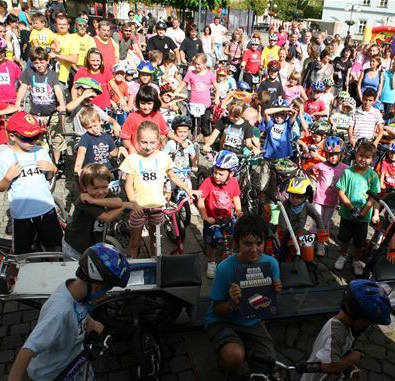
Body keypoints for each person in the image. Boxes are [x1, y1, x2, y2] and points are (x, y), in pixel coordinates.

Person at [7, 243, 130, 381]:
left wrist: (91, 322)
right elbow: (26, 352)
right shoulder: (59, 310)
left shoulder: (75, 291)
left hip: (75, 361)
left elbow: (78, 308)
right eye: (105, 291)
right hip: (54, 374)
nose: (105, 295)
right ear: (96, 288)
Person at [204, 213, 282, 378]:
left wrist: (275, 291)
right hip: (222, 322)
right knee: (233, 357)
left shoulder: (272, 264)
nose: (254, 250)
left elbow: (269, 303)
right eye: (247, 243)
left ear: (264, 242)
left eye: (259, 243)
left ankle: (246, 352)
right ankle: (226, 362)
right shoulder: (224, 268)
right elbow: (216, 309)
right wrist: (232, 303)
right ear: (237, 242)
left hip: (253, 322)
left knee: (267, 363)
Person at [120, 121, 200, 258]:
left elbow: (172, 176)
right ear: (137, 141)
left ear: (158, 141)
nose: (148, 146)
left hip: (158, 207)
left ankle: (155, 266)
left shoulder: (163, 157)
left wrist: (188, 189)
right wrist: (133, 202)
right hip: (139, 207)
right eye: (144, 142)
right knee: (135, 242)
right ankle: (130, 270)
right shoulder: (132, 159)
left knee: (155, 241)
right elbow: (128, 184)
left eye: (152, 142)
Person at [0, 112, 62, 254]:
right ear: (12, 136)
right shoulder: (3, 158)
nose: (33, 142)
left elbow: (48, 178)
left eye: (36, 137)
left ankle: (54, 269)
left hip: (46, 210)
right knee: (20, 252)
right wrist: (7, 178)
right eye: (27, 138)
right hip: (22, 215)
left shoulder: (41, 151)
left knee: (54, 246)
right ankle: (16, 275)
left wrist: (52, 170)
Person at [301, 279, 391, 381]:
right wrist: (353, 357)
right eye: (369, 322)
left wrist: (350, 366)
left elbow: (338, 354)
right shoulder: (336, 333)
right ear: (359, 319)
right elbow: (330, 366)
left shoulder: (346, 328)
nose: (368, 325)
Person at [62, 165, 133, 257]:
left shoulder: (102, 194)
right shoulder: (84, 201)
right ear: (84, 187)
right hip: (76, 245)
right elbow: (106, 218)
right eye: (95, 188)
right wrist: (124, 206)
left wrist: (94, 200)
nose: (101, 191)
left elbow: (118, 202)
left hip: (92, 243)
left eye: (104, 187)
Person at [334, 141, 380, 275]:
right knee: (344, 237)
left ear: (372, 159)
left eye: (367, 157)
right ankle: (343, 255)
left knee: (359, 241)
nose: (363, 159)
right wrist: (351, 208)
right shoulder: (348, 172)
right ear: (356, 154)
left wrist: (364, 211)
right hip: (347, 213)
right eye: (361, 155)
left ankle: (355, 260)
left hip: (363, 216)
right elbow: (341, 191)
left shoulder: (373, 176)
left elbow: (373, 196)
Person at [16, 47, 67, 164]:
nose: (39, 65)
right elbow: (23, 87)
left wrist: (62, 104)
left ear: (47, 61)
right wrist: (18, 103)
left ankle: (55, 163)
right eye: (36, 62)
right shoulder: (29, 72)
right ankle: (38, 160)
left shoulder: (52, 75)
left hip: (52, 113)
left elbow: (57, 89)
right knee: (36, 138)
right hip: (36, 113)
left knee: (56, 139)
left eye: (41, 62)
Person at [198, 150, 242, 278]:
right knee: (211, 242)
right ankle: (211, 261)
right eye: (215, 172)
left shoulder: (233, 182)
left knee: (232, 236)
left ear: (231, 173)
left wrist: (238, 211)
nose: (216, 176)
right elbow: (200, 201)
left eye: (221, 174)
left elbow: (236, 197)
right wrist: (205, 217)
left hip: (228, 218)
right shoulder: (208, 182)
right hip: (213, 220)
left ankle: (231, 252)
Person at [73, 107, 119, 174]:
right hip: (92, 171)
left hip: (106, 170)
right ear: (84, 127)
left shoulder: (106, 137)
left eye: (95, 125)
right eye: (89, 127)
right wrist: (78, 168)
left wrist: (120, 149)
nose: (94, 129)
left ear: (100, 121)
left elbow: (113, 153)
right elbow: (81, 153)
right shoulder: (85, 138)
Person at [183, 53, 219, 136]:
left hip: (205, 105)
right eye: (195, 64)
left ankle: (206, 145)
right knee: (194, 126)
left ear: (204, 63)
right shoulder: (190, 73)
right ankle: (194, 142)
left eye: (199, 64)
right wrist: (175, 93)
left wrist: (217, 98)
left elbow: (217, 89)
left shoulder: (210, 73)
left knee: (205, 127)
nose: (196, 66)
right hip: (193, 104)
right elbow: (183, 84)